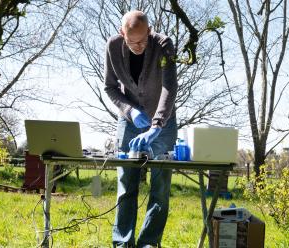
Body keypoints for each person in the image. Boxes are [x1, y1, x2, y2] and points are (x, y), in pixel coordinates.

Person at [104, 10, 178, 248]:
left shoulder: (164, 44)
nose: (139, 46)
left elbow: (169, 86)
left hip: (162, 122)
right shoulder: (113, 47)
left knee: (160, 187)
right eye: (132, 41)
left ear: (149, 30)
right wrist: (130, 111)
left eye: (143, 40)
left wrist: (157, 124)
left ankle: (149, 243)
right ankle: (122, 243)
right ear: (121, 33)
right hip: (130, 121)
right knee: (126, 186)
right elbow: (110, 87)